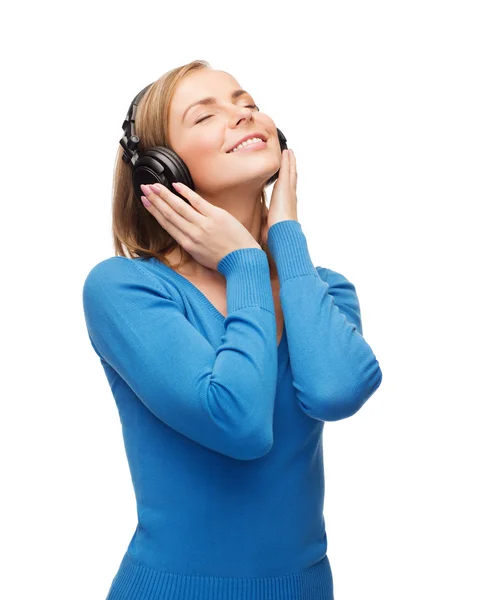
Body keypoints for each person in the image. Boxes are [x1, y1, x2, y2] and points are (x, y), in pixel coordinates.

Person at [82, 59, 383, 600]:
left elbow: (335, 391)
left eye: (247, 103)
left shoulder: (322, 289)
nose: (243, 116)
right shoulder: (124, 289)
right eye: (206, 115)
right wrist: (244, 264)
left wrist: (285, 236)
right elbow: (237, 422)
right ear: (161, 169)